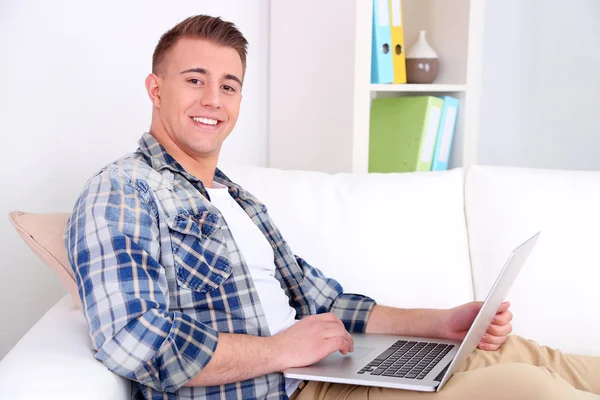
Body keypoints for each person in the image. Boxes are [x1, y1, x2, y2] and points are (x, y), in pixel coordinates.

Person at [64, 14, 600, 400]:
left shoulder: (239, 198)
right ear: (155, 89)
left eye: (229, 85)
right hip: (289, 391)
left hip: (335, 372)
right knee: (525, 389)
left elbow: (326, 300)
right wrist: (281, 349)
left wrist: (443, 323)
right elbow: (132, 340)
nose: (213, 100)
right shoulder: (122, 190)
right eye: (194, 80)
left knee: (522, 356)